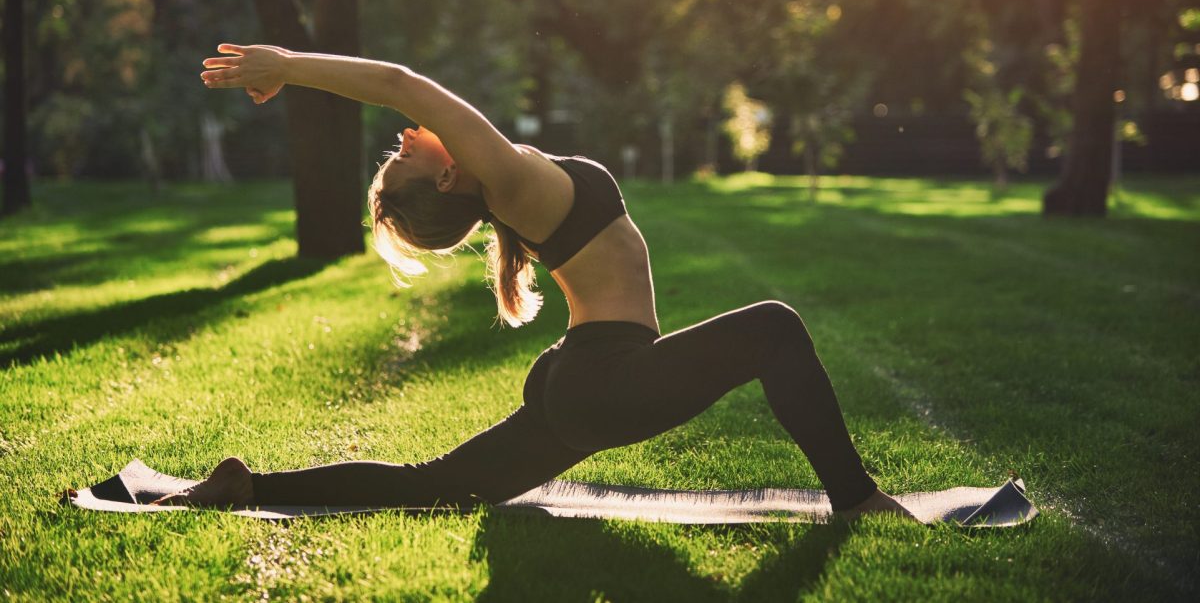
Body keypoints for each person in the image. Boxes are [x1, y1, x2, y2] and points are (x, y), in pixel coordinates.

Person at [157, 43, 912, 519]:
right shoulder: (507, 180)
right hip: (609, 381)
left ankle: (252, 486)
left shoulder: (508, 187)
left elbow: (409, 96)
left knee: (437, 486)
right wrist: (287, 67)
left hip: (582, 378)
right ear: (450, 172)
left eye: (402, 145)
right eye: (406, 151)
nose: (409, 134)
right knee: (774, 326)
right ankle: (859, 499)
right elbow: (398, 82)